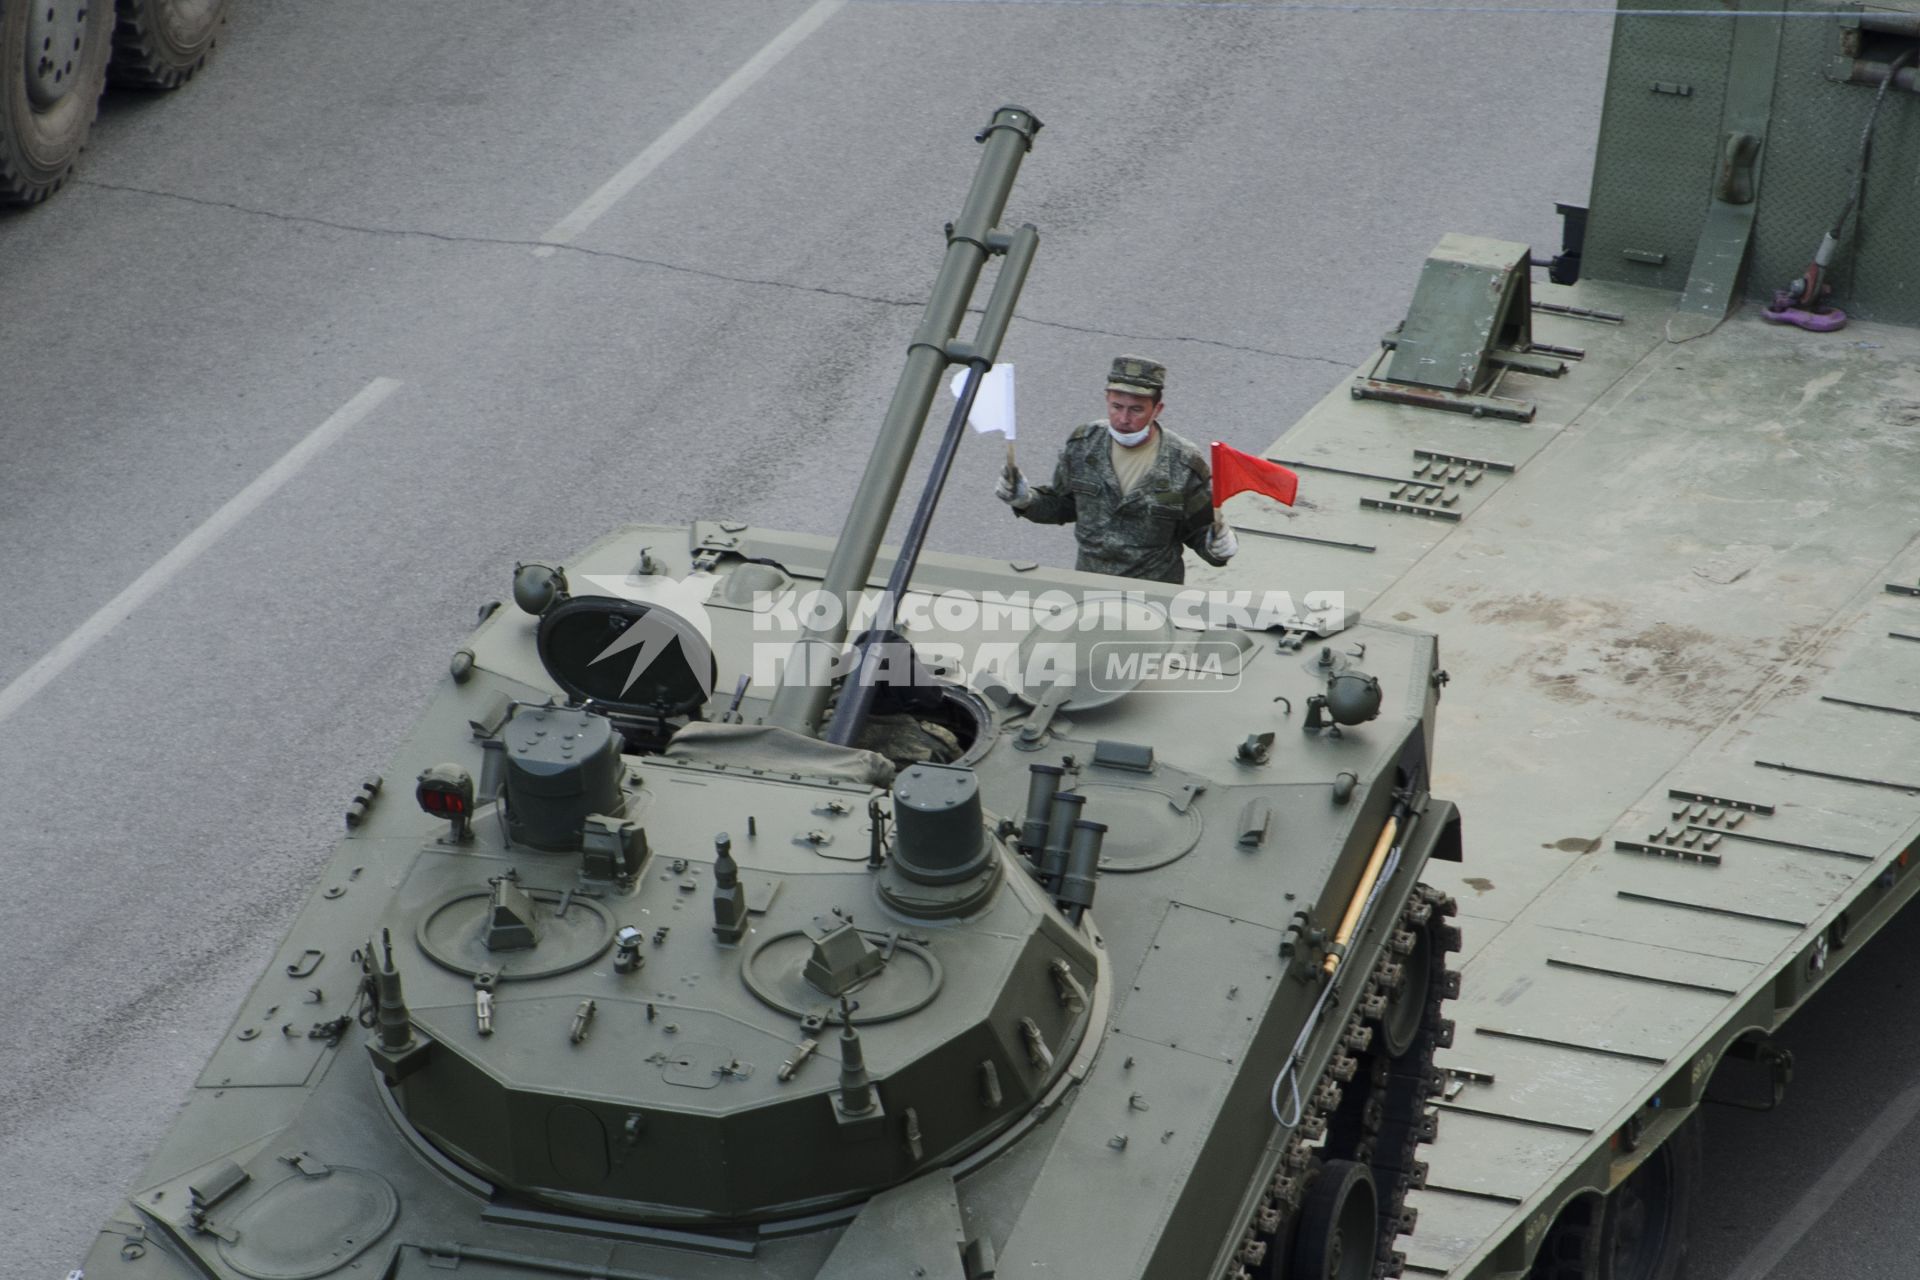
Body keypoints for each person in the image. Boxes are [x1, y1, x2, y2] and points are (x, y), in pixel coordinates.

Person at [996, 355, 1237, 583]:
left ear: (1157, 410)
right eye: (1116, 406)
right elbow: (1064, 506)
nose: (1123, 418)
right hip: (1088, 586)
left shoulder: (1183, 463)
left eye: (1136, 410)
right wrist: (1026, 500)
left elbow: (1201, 531)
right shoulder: (1083, 445)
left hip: (1152, 593)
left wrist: (1219, 546)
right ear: (1106, 400)